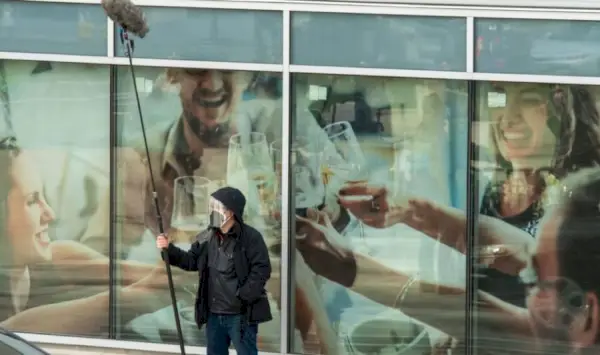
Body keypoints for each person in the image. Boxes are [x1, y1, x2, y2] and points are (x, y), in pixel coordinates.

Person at [0, 135, 188, 334]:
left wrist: (191, 270)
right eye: (31, 201)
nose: (50, 214)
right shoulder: (17, 327)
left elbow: (145, 276)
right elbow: (11, 333)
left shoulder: (58, 257)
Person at [156, 186, 272, 355]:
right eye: (210, 207)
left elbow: (262, 270)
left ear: (230, 212)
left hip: (240, 317)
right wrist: (169, 249)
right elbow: (191, 260)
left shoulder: (251, 238)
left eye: (215, 207)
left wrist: (244, 296)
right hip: (214, 315)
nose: (211, 211)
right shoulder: (207, 235)